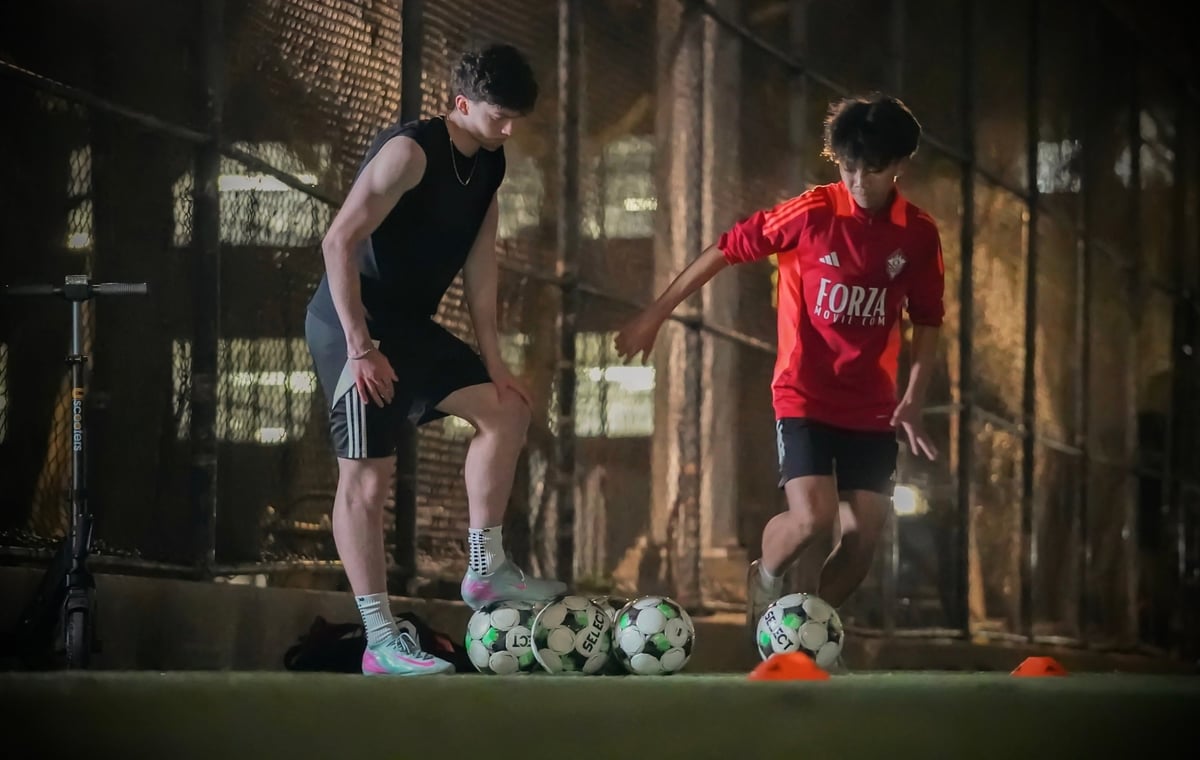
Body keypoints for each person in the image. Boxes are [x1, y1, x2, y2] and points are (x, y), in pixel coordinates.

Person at [614, 92, 945, 642]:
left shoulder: (918, 233)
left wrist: (913, 397)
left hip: (873, 405)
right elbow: (726, 248)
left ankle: (802, 633)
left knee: (863, 541)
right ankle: (766, 579)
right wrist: (656, 312)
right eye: (848, 167)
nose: (857, 180)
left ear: (900, 166)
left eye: (872, 169)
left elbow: (928, 318)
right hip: (804, 394)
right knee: (813, 517)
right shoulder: (812, 212)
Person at [305, 43, 566, 676]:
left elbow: (481, 264)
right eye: (499, 117)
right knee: (367, 479)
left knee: (506, 411)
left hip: (409, 327)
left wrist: (495, 362)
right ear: (461, 104)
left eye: (515, 119)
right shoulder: (410, 153)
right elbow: (337, 241)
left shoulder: (490, 162)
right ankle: (379, 640)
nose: (508, 130)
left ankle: (485, 570)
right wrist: (361, 347)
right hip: (352, 325)